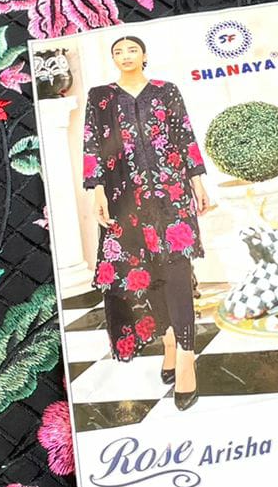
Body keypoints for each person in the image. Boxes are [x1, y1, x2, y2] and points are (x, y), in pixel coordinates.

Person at [82, 34, 211, 409]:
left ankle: (186, 355)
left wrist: (197, 182)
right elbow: (92, 144)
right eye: (118, 51)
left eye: (132, 50)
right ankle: (168, 339)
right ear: (113, 59)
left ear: (144, 55)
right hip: (126, 195)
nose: (125, 55)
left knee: (177, 268)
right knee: (147, 269)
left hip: (171, 192)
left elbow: (184, 134)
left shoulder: (165, 90)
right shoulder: (100, 97)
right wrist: (98, 191)